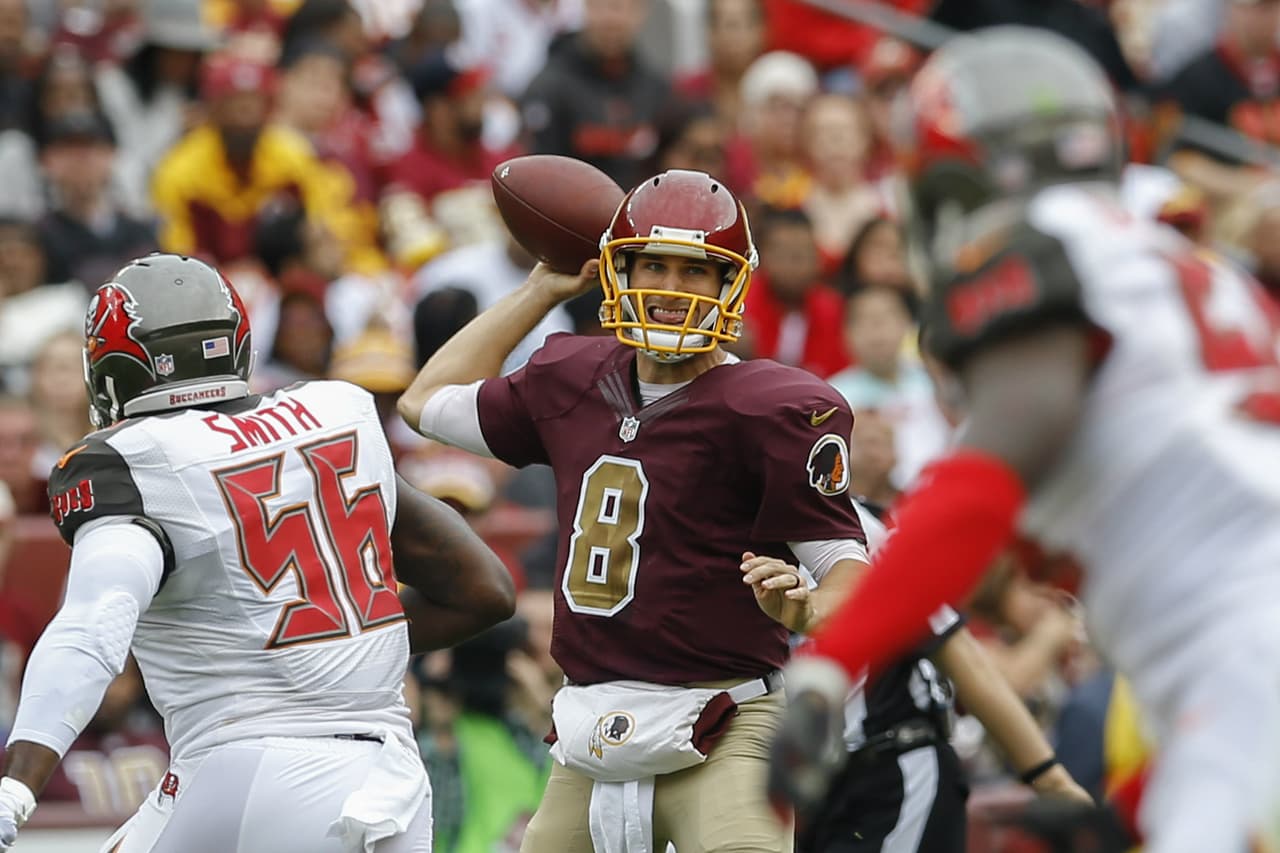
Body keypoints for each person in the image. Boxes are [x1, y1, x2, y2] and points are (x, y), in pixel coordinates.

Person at [768, 27, 1280, 853]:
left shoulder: (1037, 246)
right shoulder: (1193, 266)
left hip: (1243, 643)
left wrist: (834, 661)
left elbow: (989, 472)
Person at [398, 169, 872, 853]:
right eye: (654, 266)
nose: (672, 291)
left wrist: (808, 610)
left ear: (728, 284)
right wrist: (542, 287)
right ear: (619, 271)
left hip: (722, 725)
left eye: (694, 272)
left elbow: (848, 570)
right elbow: (425, 400)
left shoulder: (770, 408)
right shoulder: (572, 377)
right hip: (587, 729)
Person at [0, 253, 516, 853]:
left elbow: (93, 626)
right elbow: (485, 590)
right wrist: (338, 651)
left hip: (245, 771)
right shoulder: (336, 412)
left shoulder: (136, 459)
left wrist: (17, 784)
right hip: (391, 776)